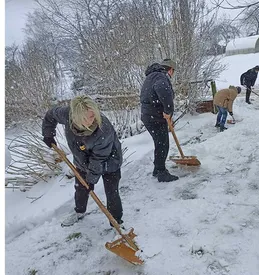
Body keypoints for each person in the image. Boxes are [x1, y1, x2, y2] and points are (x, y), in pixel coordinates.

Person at [42, 95, 124, 227]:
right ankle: (79, 212)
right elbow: (50, 115)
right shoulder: (67, 115)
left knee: (112, 191)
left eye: (92, 116)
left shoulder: (103, 129)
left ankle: (116, 222)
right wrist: (48, 134)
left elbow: (98, 159)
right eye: (84, 118)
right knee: (81, 188)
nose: (90, 121)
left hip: (110, 160)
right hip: (82, 159)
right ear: (74, 116)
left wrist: (90, 180)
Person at [140, 58, 179, 182]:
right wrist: (168, 111)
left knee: (159, 143)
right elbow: (164, 93)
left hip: (148, 116)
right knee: (163, 144)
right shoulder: (161, 77)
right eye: (173, 71)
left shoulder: (151, 76)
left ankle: (157, 169)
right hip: (155, 117)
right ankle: (161, 172)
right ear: (171, 70)